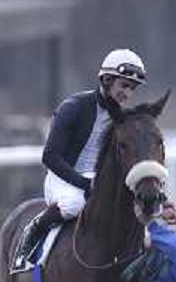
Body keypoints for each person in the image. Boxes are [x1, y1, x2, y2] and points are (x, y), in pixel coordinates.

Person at [13, 48, 147, 270]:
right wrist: (84, 183)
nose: (127, 93)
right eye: (124, 85)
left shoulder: (122, 119)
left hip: (96, 182)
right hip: (63, 179)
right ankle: (34, 230)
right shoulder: (73, 108)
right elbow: (49, 157)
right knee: (76, 204)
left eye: (132, 88)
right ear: (107, 79)